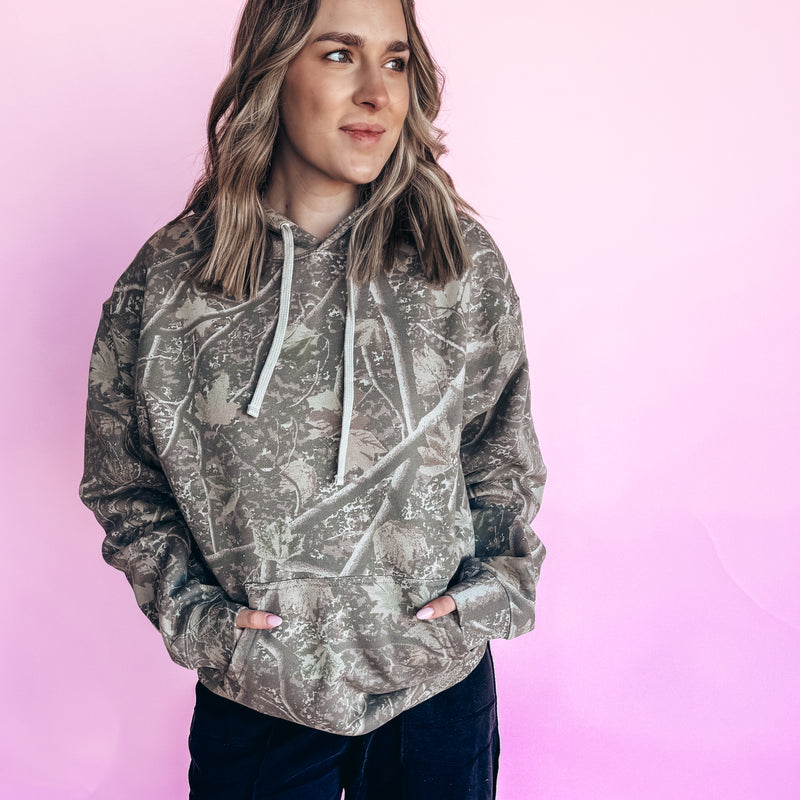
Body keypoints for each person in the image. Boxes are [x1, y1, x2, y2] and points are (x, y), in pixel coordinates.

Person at [78, 0, 547, 797]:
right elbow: (123, 484)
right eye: (339, 54)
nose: (376, 92)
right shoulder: (167, 283)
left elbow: (500, 457)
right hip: (258, 697)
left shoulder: (456, 262)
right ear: (274, 69)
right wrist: (202, 622)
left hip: (435, 690)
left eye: (395, 61)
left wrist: (486, 593)